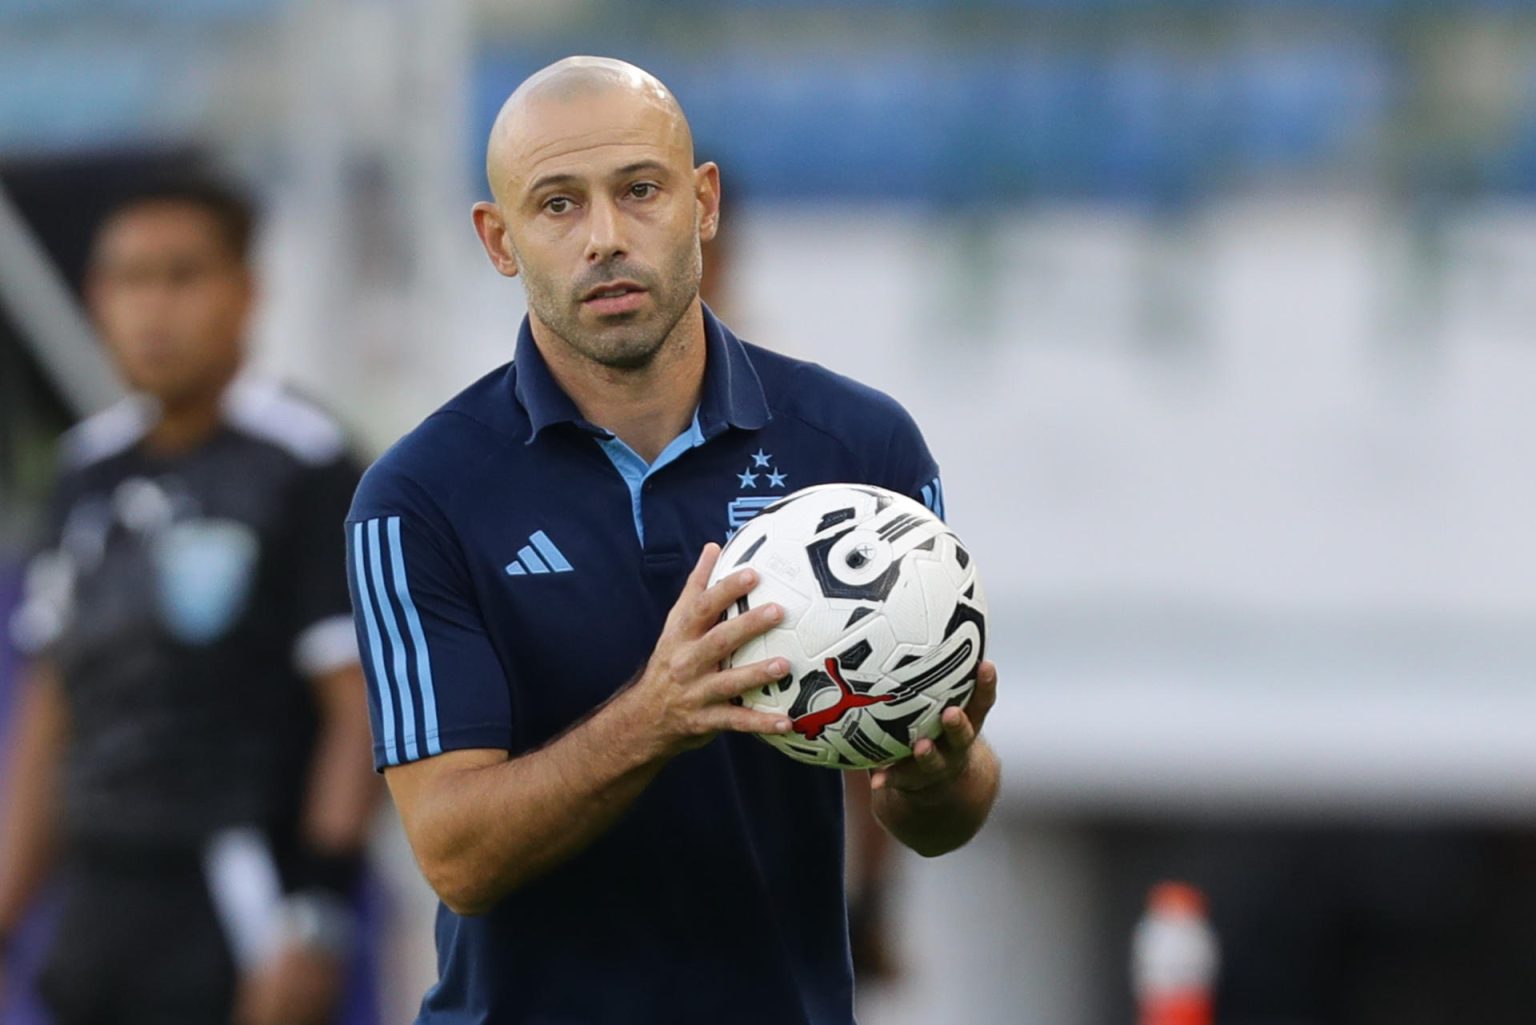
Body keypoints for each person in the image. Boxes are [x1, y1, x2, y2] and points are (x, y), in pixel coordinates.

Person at [346, 56, 1001, 1024]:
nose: (605, 238)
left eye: (639, 191)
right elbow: (456, 855)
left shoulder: (859, 448)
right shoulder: (419, 495)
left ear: (703, 202)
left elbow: (933, 814)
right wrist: (657, 714)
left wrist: (942, 774)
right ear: (498, 237)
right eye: (558, 204)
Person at [0, 178, 380, 1025]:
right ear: (96, 298)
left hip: (239, 894)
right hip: (96, 902)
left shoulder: (307, 467)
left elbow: (358, 709)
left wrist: (315, 915)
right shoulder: (84, 470)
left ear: (245, 291)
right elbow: (52, 702)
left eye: (181, 276)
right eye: (128, 281)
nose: (152, 309)